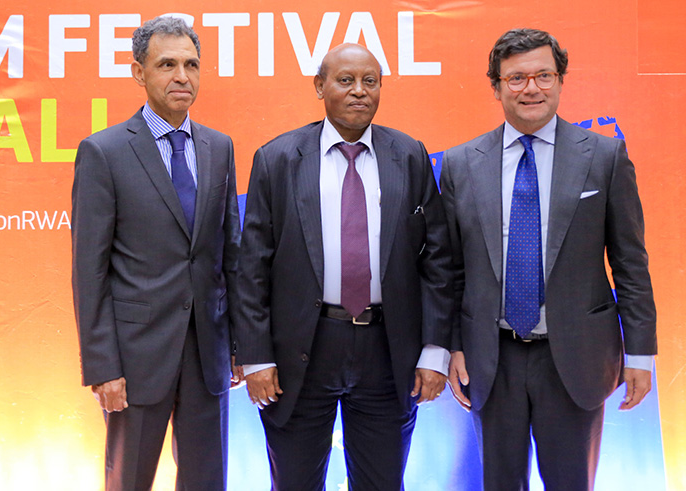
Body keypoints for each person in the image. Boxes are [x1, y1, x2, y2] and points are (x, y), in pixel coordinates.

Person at [441, 28, 657, 490]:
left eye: (544, 75)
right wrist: (452, 345)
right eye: (516, 78)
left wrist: (641, 353)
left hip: (576, 358)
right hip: (490, 358)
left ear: (560, 80)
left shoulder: (604, 156)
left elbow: (630, 262)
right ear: (496, 86)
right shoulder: (461, 164)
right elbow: (451, 269)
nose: (531, 88)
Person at [234, 43, 454, 490]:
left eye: (370, 81)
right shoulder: (277, 159)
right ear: (320, 86)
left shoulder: (409, 155)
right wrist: (256, 357)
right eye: (346, 80)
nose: (359, 91)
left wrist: (435, 351)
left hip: (387, 350)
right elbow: (252, 265)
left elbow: (437, 260)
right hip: (301, 349)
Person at [71, 16, 241, 491]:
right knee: (128, 481)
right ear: (138, 73)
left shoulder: (219, 147)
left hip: (208, 357)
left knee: (208, 481)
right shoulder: (103, 152)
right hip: (135, 360)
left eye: (191, 65)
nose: (182, 76)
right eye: (167, 65)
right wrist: (103, 367)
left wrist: (240, 347)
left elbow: (230, 254)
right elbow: (89, 271)